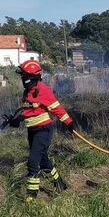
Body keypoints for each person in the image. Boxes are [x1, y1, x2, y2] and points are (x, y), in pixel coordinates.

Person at [8, 59, 73, 201]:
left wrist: (69, 122)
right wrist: (17, 120)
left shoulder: (43, 90)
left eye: (25, 76)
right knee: (43, 161)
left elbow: (56, 108)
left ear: (33, 76)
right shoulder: (27, 92)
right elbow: (29, 111)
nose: (23, 78)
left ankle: (31, 197)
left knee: (33, 163)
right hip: (32, 131)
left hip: (43, 130)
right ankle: (59, 184)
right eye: (22, 76)